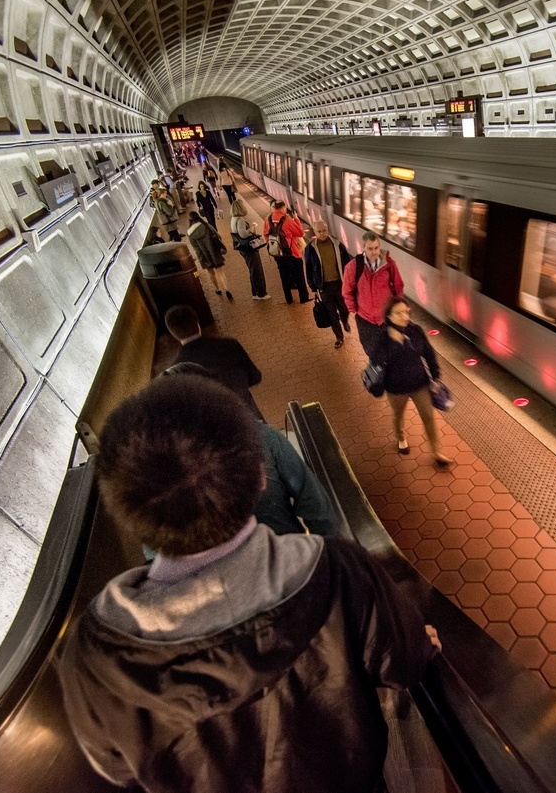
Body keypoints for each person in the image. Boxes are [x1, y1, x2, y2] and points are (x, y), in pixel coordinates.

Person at [57, 375, 440, 793]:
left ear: (128, 518)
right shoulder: (339, 573)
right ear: (260, 477)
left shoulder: (93, 658)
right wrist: (421, 641)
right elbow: (402, 662)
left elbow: (120, 770)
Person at [162, 362, 337, 535]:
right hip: (290, 552)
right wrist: (326, 553)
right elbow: (316, 507)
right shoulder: (262, 438)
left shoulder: (160, 480)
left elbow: (156, 549)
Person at [373, 298, 451, 469]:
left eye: (405, 311)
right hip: (395, 388)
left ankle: (437, 451)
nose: (404, 316)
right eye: (398, 313)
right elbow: (376, 361)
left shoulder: (416, 331)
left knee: (428, 417)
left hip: (419, 384)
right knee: (398, 415)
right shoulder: (383, 338)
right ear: (389, 316)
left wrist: (435, 376)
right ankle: (401, 438)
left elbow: (429, 354)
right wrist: (394, 342)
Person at [164, 305, 260, 417]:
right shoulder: (229, 345)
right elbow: (255, 377)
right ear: (197, 324)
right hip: (249, 414)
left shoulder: (177, 371)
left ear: (173, 333)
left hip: (217, 428)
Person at [343, 231, 403, 360]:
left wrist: (396, 309)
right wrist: (354, 311)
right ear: (363, 247)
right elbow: (347, 291)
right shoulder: (353, 267)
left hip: (386, 318)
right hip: (366, 320)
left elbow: (398, 286)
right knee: (373, 354)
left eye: (376, 248)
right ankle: (378, 375)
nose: (374, 252)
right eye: (370, 248)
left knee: (392, 352)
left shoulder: (389, 264)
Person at [304, 220, 353, 348]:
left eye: (324, 231)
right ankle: (339, 337)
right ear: (314, 232)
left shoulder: (337, 244)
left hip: (339, 284)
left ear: (328, 229)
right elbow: (308, 268)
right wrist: (313, 287)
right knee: (331, 314)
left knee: (344, 308)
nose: (322, 234)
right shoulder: (310, 248)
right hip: (324, 287)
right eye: (319, 231)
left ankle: (345, 320)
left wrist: (349, 281)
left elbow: (348, 264)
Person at [267, 200, 308, 304]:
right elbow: (300, 233)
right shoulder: (287, 219)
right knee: (299, 274)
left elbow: (265, 235)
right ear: (283, 208)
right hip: (291, 252)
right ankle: (303, 297)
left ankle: (288, 299)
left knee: (283, 275)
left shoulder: (268, 219)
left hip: (277, 253)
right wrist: (297, 219)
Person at [185, 211, 232, 301]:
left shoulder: (189, 233)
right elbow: (218, 236)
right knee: (220, 272)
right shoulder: (206, 225)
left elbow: (195, 248)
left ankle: (218, 289)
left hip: (204, 256)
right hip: (214, 252)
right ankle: (227, 290)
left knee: (211, 273)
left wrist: (201, 258)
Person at [230, 199, 270, 300]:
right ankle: (261, 294)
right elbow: (244, 234)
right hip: (249, 249)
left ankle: (255, 292)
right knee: (256, 270)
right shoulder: (240, 220)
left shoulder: (233, 219)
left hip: (243, 249)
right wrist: (252, 227)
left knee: (252, 269)